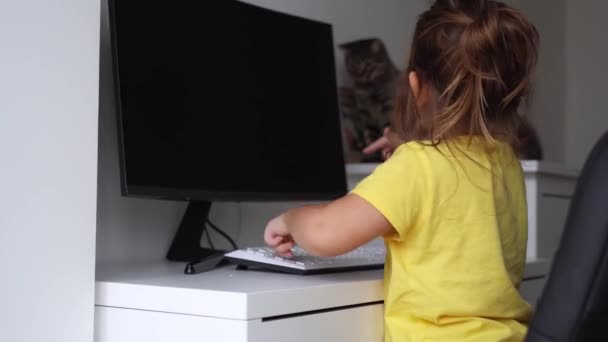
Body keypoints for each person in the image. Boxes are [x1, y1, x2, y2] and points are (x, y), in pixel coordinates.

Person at [264, 0, 538, 340]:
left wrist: (289, 219)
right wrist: (409, 153)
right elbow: (454, 201)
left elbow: (324, 232)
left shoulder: (418, 166)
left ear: (416, 86)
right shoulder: (506, 163)